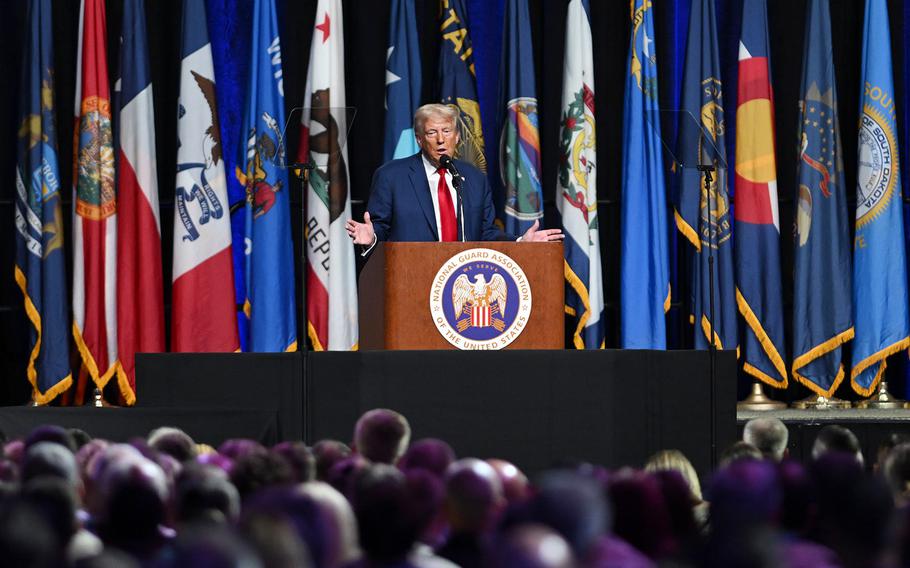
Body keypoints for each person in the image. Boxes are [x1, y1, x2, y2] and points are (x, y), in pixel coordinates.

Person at [346, 103, 563, 249]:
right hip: (411, 284)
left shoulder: (475, 179)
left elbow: (486, 233)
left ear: (457, 137)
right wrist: (371, 238)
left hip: (462, 285)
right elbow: (380, 230)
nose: (441, 140)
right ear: (420, 139)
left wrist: (520, 241)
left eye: (447, 131)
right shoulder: (391, 176)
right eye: (432, 133)